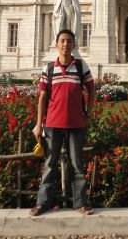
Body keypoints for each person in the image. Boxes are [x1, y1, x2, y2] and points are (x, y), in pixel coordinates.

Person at [30, 29, 95, 217]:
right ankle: (42, 203)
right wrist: (38, 124)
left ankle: (80, 203)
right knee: (50, 164)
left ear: (74, 45)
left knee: (77, 165)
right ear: (57, 44)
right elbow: (42, 97)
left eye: (69, 41)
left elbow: (92, 90)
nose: (66, 44)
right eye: (62, 41)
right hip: (52, 124)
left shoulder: (81, 67)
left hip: (76, 123)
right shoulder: (49, 68)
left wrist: (88, 115)